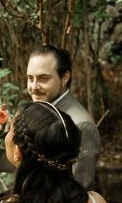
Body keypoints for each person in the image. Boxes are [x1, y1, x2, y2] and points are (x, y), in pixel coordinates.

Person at [26, 45, 101, 188]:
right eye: (30, 78)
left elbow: (81, 188)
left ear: (65, 77)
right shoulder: (37, 109)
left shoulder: (82, 125)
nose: (34, 86)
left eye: (43, 78)